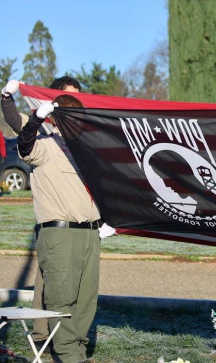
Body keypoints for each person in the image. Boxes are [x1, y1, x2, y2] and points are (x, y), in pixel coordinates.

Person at [18, 93, 101, 363]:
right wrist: (35, 119)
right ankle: (69, 355)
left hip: (91, 233)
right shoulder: (47, 143)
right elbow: (25, 145)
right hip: (61, 234)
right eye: (71, 115)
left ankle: (76, 353)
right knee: (62, 301)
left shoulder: (84, 148)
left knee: (86, 302)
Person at [1, 76, 82, 345]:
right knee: (48, 277)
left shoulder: (80, 132)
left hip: (78, 218)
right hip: (51, 216)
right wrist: (7, 97)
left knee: (72, 280)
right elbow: (17, 123)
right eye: (69, 97)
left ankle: (66, 332)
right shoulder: (44, 127)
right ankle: (42, 333)